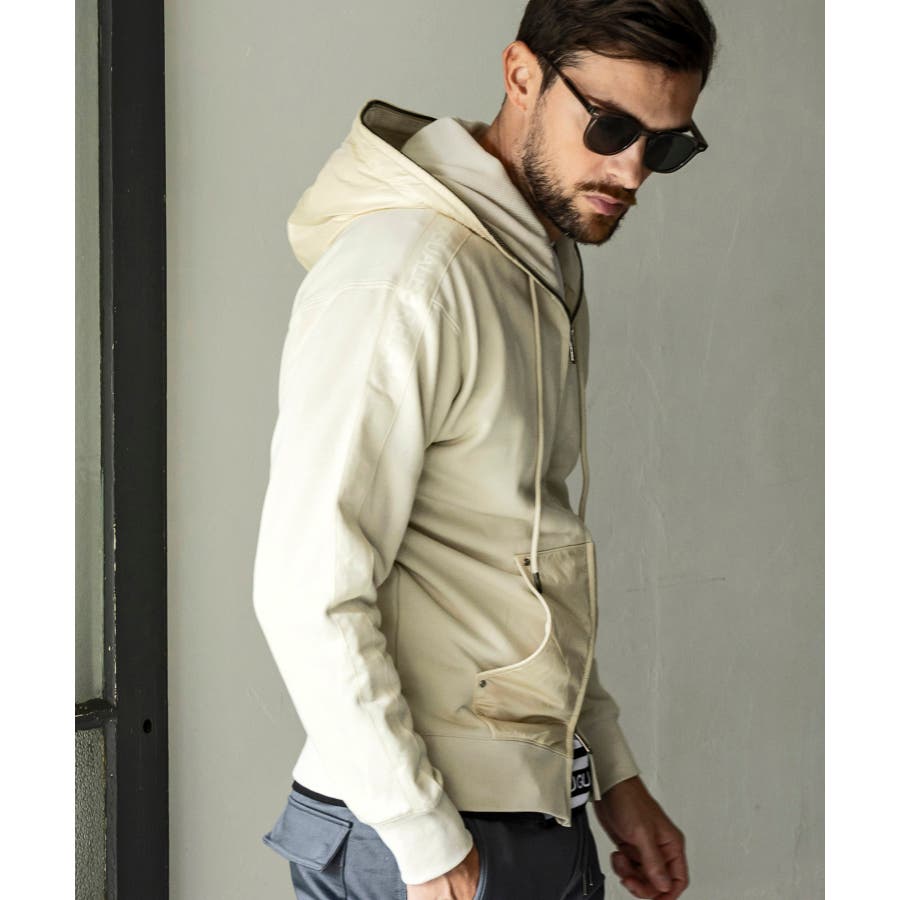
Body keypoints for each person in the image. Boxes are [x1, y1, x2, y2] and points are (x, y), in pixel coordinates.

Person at [252, 1, 717, 897]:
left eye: (665, 146)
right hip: (421, 833)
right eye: (610, 128)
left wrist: (610, 770)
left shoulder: (535, 262)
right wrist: (425, 845)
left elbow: (523, 559)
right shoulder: (406, 275)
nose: (631, 170)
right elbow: (305, 586)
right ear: (521, 75)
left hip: (532, 807)